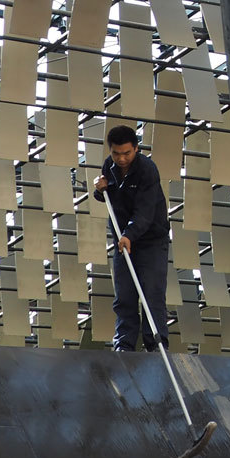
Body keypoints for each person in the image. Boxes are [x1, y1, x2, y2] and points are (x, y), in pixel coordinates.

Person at [93, 124, 171, 352]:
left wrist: (129, 234)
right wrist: (101, 190)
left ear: (136, 149)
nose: (121, 158)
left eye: (126, 153)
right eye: (116, 153)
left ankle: (155, 347)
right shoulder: (110, 166)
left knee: (151, 293)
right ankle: (124, 346)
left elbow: (145, 212)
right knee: (124, 294)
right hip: (123, 241)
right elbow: (112, 198)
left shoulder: (147, 169)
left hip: (150, 240)